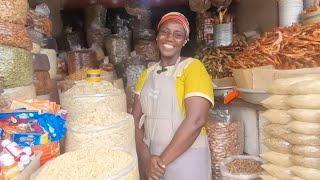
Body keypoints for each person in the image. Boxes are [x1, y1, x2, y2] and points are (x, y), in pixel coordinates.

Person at [132, 12, 214, 180]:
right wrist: (146, 159)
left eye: (178, 35)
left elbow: (196, 120)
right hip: (152, 161)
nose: (169, 38)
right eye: (165, 32)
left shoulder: (193, 68)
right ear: (157, 37)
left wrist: (160, 162)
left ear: (184, 41)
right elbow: (134, 121)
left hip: (188, 160)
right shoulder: (146, 74)